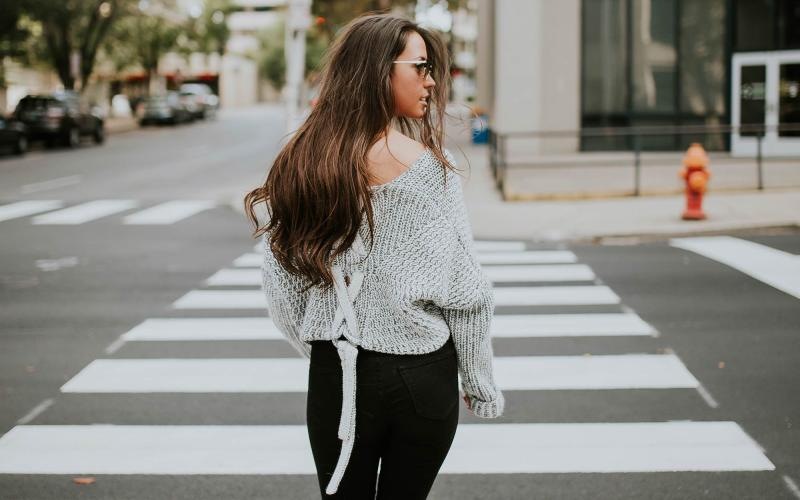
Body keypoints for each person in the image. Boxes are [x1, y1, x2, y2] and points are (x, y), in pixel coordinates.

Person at [243, 13, 504, 500]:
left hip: (336, 372)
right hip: (420, 374)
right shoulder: (429, 171)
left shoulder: (303, 161)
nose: (430, 82)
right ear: (379, 71)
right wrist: (479, 381)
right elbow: (467, 293)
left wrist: (326, 350)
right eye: (420, 67)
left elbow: (280, 287)